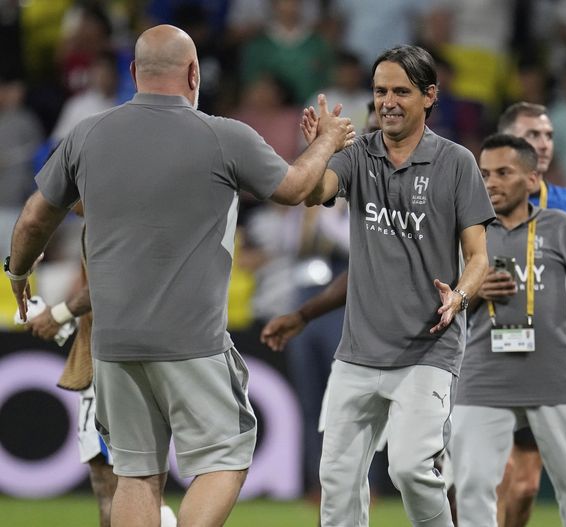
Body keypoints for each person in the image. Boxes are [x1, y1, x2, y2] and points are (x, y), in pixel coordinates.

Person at [5, 24, 352, 527]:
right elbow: (297, 188)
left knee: (136, 474)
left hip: (114, 342)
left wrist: (16, 270)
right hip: (192, 339)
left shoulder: (87, 134)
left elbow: (36, 217)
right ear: (194, 74)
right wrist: (326, 141)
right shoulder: (223, 135)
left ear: (133, 74)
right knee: (226, 457)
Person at [301, 45, 495, 526]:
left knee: (410, 470)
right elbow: (310, 191)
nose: (387, 101)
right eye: (380, 90)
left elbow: (478, 257)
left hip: (427, 350)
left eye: (401, 92)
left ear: (429, 96)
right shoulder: (357, 154)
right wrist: (322, 145)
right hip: (358, 351)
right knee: (337, 482)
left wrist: (461, 295)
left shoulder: (456, 163)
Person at [449, 134, 566, 527]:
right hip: (484, 379)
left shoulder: (561, 227)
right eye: (484, 174)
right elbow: (446, 307)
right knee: (471, 487)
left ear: (532, 180)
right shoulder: (468, 232)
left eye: (503, 172)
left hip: (558, 380)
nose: (491, 182)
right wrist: (474, 292)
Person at [25, 204, 177, 527]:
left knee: (115, 482)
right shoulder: (131, 218)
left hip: (111, 363)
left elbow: (111, 284)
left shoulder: (110, 222)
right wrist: (65, 318)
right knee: (135, 478)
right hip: (136, 351)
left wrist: (60, 315)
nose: (66, 198)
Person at [494, 101, 566, 527]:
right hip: (487, 355)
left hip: (543, 359)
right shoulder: (479, 200)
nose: (543, 144)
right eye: (533, 135)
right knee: (496, 473)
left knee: (527, 486)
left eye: (547, 135)